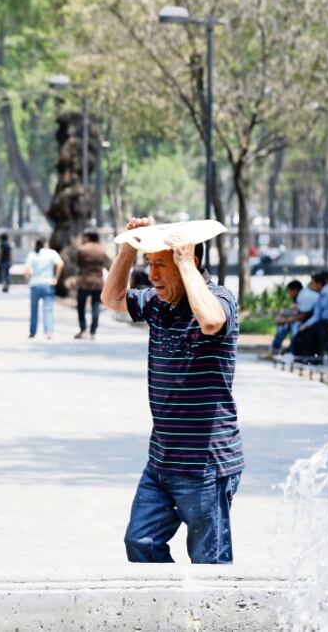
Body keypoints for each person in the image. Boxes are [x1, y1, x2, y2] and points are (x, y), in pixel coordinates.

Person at [102, 216, 243, 565]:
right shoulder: (156, 303)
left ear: (190, 261)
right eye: (150, 265)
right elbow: (112, 297)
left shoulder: (219, 299)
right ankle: (173, 614)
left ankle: (209, 618)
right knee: (140, 541)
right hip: (162, 460)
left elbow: (211, 321)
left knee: (210, 564)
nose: (152, 276)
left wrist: (182, 261)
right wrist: (127, 249)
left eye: (160, 265)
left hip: (205, 464)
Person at [259, 279, 318, 359]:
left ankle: (291, 352)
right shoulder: (303, 294)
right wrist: (283, 317)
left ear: (294, 290)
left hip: (316, 321)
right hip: (311, 320)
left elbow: (303, 316)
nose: (289, 294)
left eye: (289, 291)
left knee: (293, 326)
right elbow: (299, 312)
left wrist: (285, 320)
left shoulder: (304, 296)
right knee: (285, 325)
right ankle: (276, 350)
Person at [293, 271, 328, 365]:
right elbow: (316, 316)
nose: (310, 285)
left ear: (319, 284)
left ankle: (322, 357)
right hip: (323, 322)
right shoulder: (320, 296)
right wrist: (305, 325)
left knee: (317, 331)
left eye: (313, 283)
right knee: (305, 331)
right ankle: (306, 358)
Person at [74, 231, 111, 340]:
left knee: (81, 305)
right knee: (96, 305)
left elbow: (78, 264)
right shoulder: (102, 250)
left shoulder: (82, 249)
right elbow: (108, 264)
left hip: (84, 281)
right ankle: (93, 331)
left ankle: (83, 328)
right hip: (98, 282)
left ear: (89, 237)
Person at [23, 239, 63, 339]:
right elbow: (60, 264)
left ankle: (32, 331)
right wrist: (56, 278)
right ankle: (48, 331)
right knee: (48, 309)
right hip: (48, 283)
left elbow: (26, 270)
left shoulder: (32, 254)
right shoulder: (51, 253)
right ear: (46, 244)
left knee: (33, 309)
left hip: (35, 284)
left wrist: (29, 280)